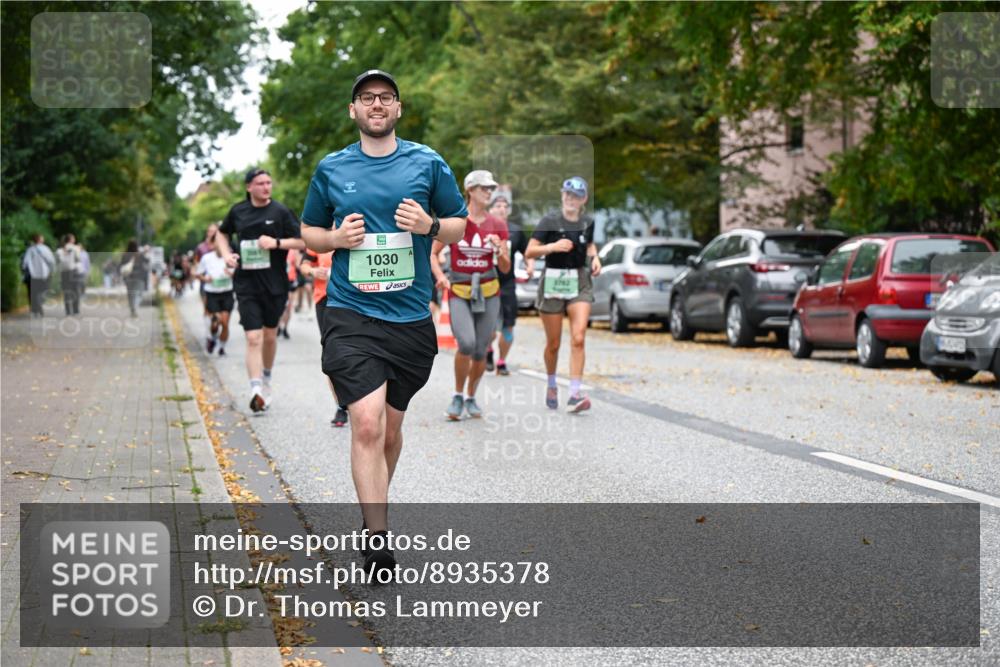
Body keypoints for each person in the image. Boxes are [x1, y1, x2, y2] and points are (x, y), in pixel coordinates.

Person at [300, 69, 467, 577]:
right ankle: (377, 538)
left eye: (385, 98)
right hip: (351, 312)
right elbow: (309, 231)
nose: (376, 104)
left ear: (398, 109)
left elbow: (459, 226)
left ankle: (376, 507)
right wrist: (334, 241)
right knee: (366, 422)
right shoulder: (332, 168)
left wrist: (431, 226)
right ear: (353, 110)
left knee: (390, 431)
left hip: (411, 320)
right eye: (366, 98)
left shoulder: (427, 162)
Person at [216, 167, 305, 414]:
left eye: (268, 182)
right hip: (246, 284)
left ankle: (266, 377)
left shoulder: (280, 211)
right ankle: (255, 389)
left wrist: (276, 243)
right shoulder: (238, 211)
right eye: (260, 183)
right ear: (249, 187)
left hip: (275, 284)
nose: (266, 187)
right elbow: (222, 235)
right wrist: (227, 256)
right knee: (252, 337)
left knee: (269, 336)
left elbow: (303, 240)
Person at [431, 170, 510, 420]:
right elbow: (433, 253)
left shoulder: (497, 224)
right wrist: (441, 277)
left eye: (491, 188)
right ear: (471, 190)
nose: (489, 192)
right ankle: (456, 395)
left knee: (480, 350)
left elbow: (505, 268)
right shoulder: (456, 221)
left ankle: (471, 396)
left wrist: (501, 252)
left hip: (489, 291)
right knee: (465, 343)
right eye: (484, 188)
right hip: (460, 290)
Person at [524, 177, 601, 413]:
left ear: (583, 199)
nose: (571, 199)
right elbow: (530, 251)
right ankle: (551, 383)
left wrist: (595, 257)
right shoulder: (550, 220)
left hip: (579, 280)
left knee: (578, 337)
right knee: (554, 344)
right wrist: (552, 247)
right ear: (562, 195)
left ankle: (575, 393)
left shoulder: (588, 221)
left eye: (576, 196)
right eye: (568, 194)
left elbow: (588, 245)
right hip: (553, 280)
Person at [300, 248, 349, 428]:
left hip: (353, 300)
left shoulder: (357, 229)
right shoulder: (321, 234)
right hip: (325, 300)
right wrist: (313, 271)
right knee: (333, 353)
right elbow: (304, 265)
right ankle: (340, 406)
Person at [486, 190, 532, 376]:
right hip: (486, 280)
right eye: (498, 206)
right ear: (490, 209)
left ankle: (502, 361)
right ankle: (488, 350)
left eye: (505, 206)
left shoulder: (515, 230)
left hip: (507, 283)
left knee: (509, 324)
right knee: (488, 324)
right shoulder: (483, 227)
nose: (502, 209)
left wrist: (530, 265)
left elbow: (527, 251)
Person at [196, 237, 235, 356]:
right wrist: (206, 279)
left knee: (225, 322)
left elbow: (239, 274)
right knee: (215, 322)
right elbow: (198, 274)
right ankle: (213, 338)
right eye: (219, 243)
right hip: (212, 293)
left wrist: (232, 274)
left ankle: (222, 348)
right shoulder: (206, 258)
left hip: (227, 292)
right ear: (213, 245)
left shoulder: (231, 257)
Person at [195, 223, 220, 340]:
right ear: (207, 233)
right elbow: (196, 264)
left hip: (221, 284)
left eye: (215, 231)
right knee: (207, 308)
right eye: (210, 231)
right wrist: (201, 276)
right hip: (206, 283)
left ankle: (215, 327)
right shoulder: (201, 248)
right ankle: (208, 332)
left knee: (219, 312)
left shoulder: (223, 246)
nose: (213, 233)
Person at [21, 234, 56, 317]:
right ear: (40, 240)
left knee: (32, 293)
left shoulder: (30, 250)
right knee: (42, 291)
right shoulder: (46, 249)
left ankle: (35, 310)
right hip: (44, 274)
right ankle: (39, 306)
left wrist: (24, 270)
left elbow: (25, 262)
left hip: (33, 275)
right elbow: (51, 261)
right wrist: (52, 270)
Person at [56, 234, 84, 316]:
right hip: (74, 272)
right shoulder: (75, 248)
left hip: (64, 272)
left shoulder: (59, 250)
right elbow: (78, 259)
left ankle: (68, 311)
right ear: (71, 239)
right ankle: (76, 310)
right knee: (75, 291)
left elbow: (58, 261)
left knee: (66, 292)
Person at [121, 239, 149, 317]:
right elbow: (147, 261)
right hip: (139, 277)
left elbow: (122, 266)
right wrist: (146, 252)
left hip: (128, 277)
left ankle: (132, 309)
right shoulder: (139, 254)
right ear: (136, 246)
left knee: (130, 295)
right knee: (139, 294)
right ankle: (135, 308)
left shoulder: (125, 254)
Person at [277, 248, 300, 340]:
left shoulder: (294, 250)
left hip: (290, 280)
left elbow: (298, 265)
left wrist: (298, 257)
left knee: (289, 307)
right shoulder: (278, 247)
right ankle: (278, 327)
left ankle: (285, 328)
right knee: (279, 306)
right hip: (279, 281)